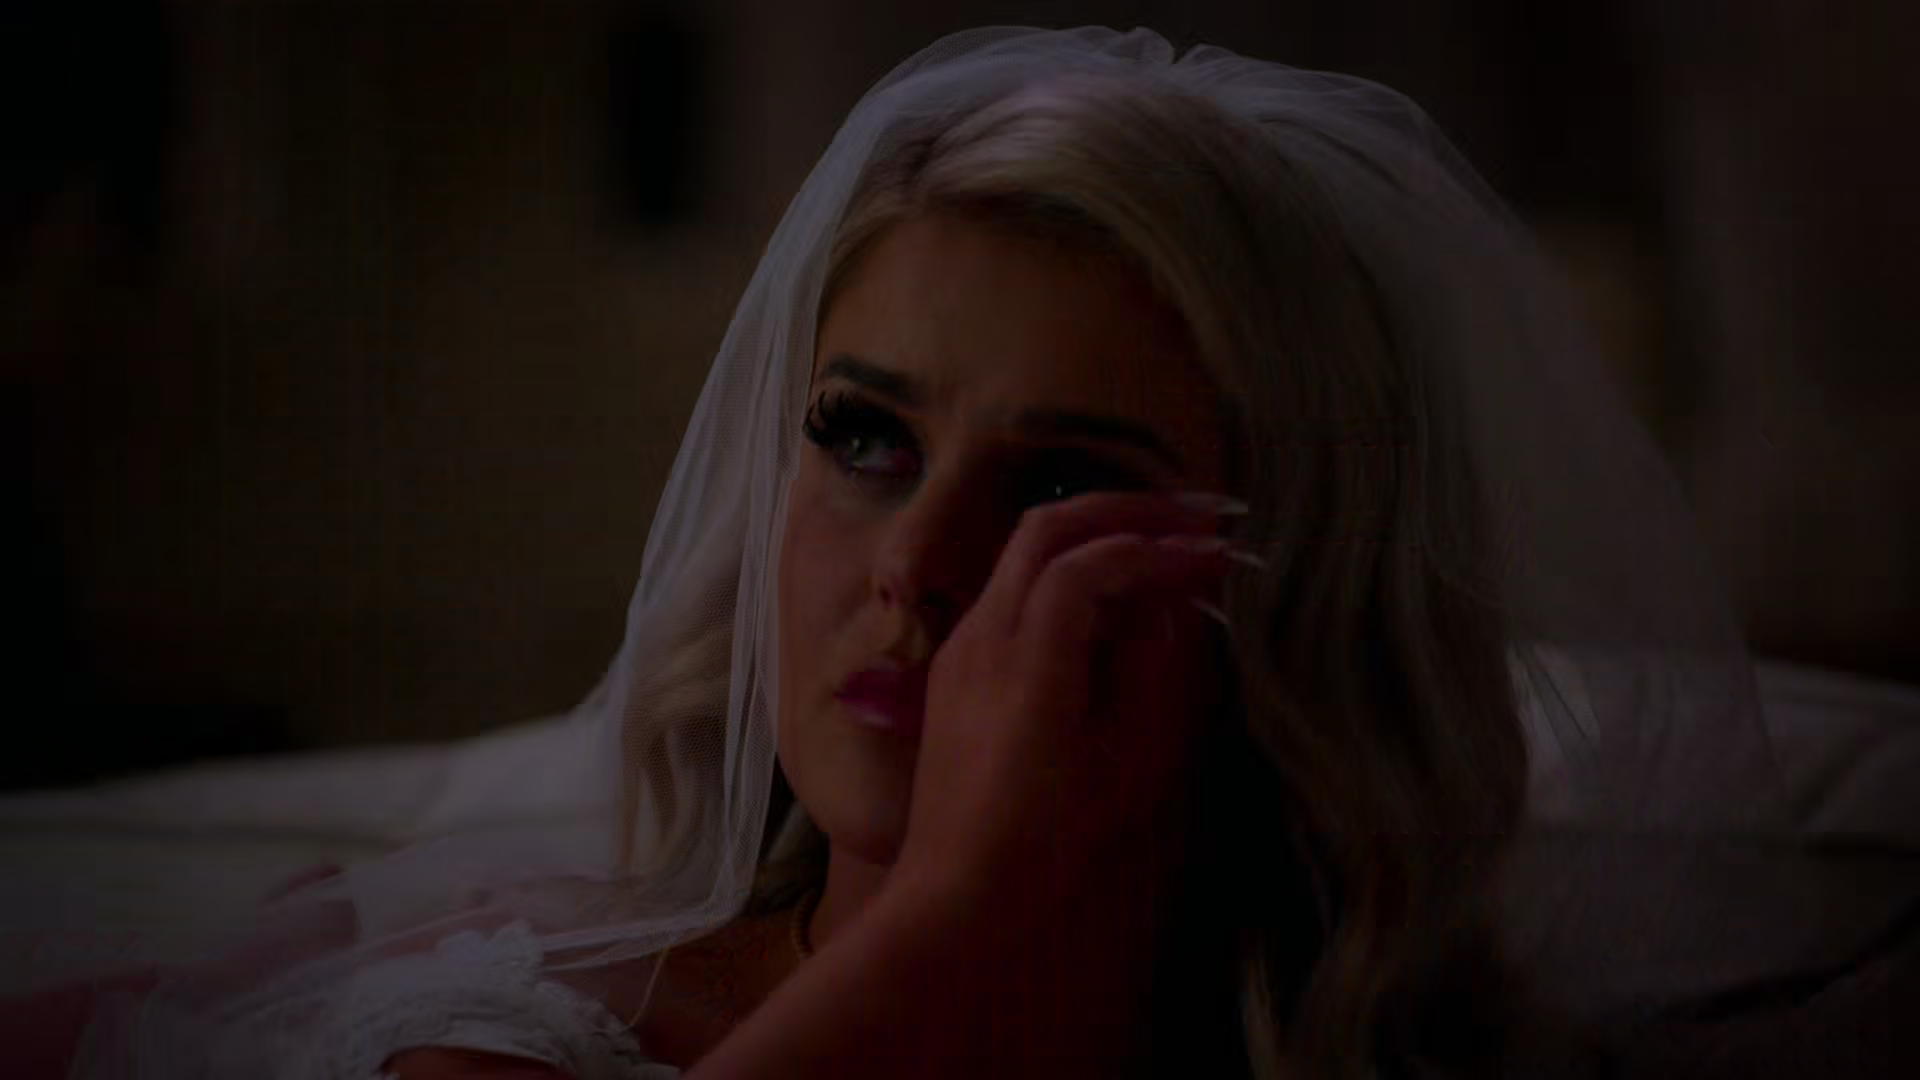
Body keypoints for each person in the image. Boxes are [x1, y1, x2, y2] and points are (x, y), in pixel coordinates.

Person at [12, 24, 1787, 1080]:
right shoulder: (513, 1025)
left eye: (1061, 491)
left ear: (1289, 594)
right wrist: (954, 918)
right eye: (864, 437)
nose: (920, 565)